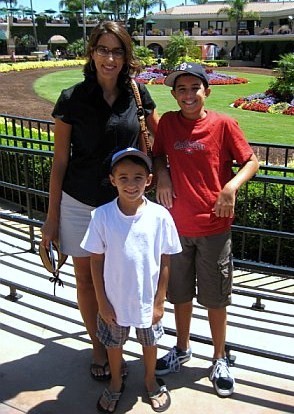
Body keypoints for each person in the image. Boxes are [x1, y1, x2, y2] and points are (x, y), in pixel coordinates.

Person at [41, 21, 159, 382]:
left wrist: (162, 181)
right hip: (79, 203)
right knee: (87, 282)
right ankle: (99, 345)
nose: (110, 58)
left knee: (119, 279)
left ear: (126, 56)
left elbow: (156, 146)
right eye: (103, 49)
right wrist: (51, 218)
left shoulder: (138, 96)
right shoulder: (72, 99)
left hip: (123, 208)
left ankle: (119, 346)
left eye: (117, 50)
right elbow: (60, 161)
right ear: (91, 52)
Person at [152, 62, 259, 397]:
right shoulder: (168, 123)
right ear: (173, 94)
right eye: (180, 89)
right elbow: (157, 157)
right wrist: (164, 173)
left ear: (206, 91)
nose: (187, 95)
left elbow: (251, 161)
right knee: (179, 295)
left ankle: (218, 357)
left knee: (215, 298)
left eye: (194, 88)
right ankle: (182, 348)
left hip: (214, 226)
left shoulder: (223, 123)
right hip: (176, 227)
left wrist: (231, 188)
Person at [81, 148, 182, 413]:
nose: (130, 184)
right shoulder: (101, 216)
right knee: (113, 345)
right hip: (114, 300)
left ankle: (149, 380)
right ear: (112, 180)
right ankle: (116, 383)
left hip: (147, 300)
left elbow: (166, 260)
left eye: (138, 177)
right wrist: (102, 302)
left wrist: (160, 301)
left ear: (148, 180)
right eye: (123, 177)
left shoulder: (160, 216)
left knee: (150, 342)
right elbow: (96, 259)